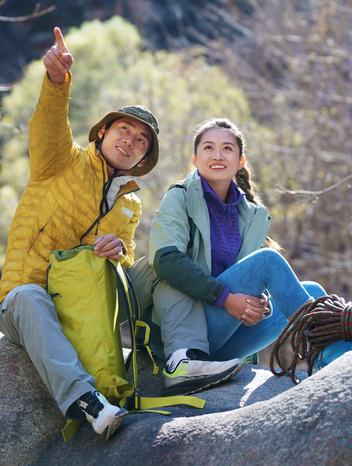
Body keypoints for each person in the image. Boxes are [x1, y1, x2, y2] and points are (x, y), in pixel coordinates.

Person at [0, 27, 161, 440]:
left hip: (86, 308)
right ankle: (86, 401)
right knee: (29, 295)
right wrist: (56, 80)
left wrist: (119, 251)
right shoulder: (58, 162)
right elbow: (49, 122)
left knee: (163, 265)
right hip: (25, 304)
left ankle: (177, 361)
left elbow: (122, 263)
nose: (131, 140)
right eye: (124, 129)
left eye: (141, 141)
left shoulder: (130, 203)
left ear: (142, 159)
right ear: (103, 132)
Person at [128, 118, 326, 397]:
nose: (218, 155)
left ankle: (326, 362)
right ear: (195, 160)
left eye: (227, 149)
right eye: (208, 148)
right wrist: (226, 298)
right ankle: (335, 350)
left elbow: (242, 279)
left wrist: (260, 305)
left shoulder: (250, 214)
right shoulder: (180, 198)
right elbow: (166, 260)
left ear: (241, 161)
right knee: (268, 260)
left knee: (313, 292)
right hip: (178, 329)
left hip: (223, 334)